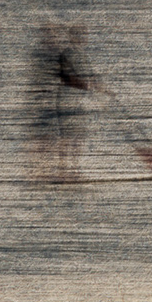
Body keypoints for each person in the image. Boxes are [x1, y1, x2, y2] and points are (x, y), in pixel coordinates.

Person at [31, 22, 102, 182]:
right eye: (81, 34)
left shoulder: (83, 55)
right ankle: (64, 169)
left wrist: (99, 86)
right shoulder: (67, 54)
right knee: (67, 137)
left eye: (85, 34)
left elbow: (90, 75)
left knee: (78, 137)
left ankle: (75, 169)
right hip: (68, 99)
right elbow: (67, 78)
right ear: (73, 36)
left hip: (79, 101)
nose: (85, 38)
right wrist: (89, 85)